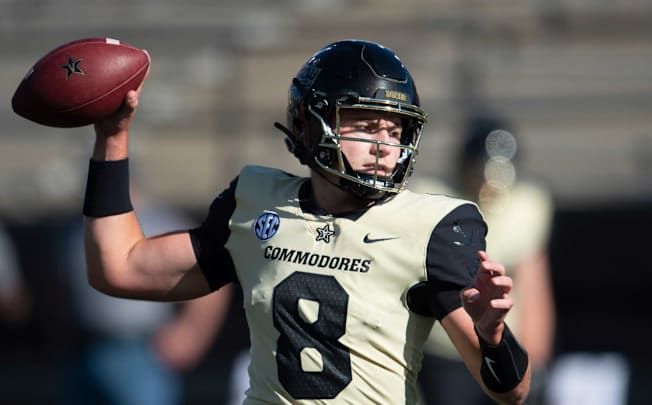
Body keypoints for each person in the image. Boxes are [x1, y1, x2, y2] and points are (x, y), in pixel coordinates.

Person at [81, 39, 530, 405]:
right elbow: (118, 268)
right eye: (365, 126)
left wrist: (492, 336)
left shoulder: (433, 226)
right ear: (311, 123)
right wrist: (112, 138)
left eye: (394, 132)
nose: (383, 146)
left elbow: (511, 392)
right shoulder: (257, 202)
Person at [412, 115, 556, 405]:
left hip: (503, 345)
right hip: (446, 351)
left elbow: (533, 286)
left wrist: (535, 361)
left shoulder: (527, 206)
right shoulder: (428, 199)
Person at [58, 188, 233, 405]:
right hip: (85, 346)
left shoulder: (161, 222)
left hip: (142, 348)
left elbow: (212, 277)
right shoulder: (74, 226)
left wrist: (191, 333)